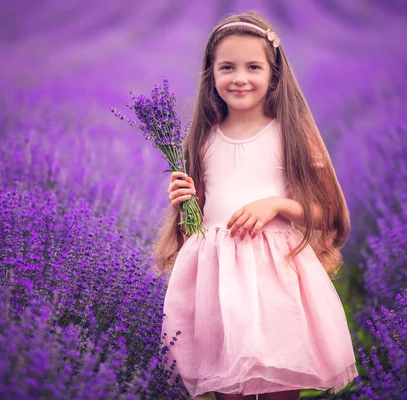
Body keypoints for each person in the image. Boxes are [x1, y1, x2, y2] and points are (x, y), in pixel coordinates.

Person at [153, 11, 358, 400]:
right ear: (211, 74)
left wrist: (278, 204)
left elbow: (325, 214)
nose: (240, 78)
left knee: (282, 383)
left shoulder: (291, 136)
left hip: (276, 280)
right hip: (217, 283)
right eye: (227, 67)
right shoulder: (202, 140)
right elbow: (196, 224)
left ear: (274, 73)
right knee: (227, 386)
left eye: (253, 66)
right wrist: (184, 203)